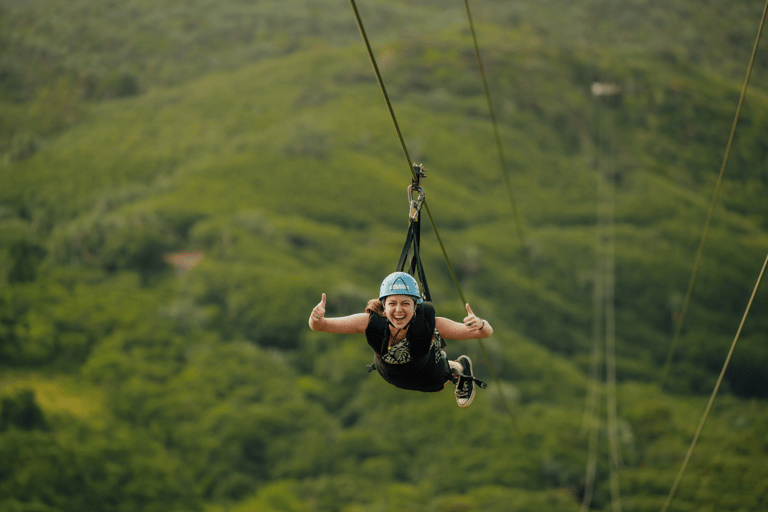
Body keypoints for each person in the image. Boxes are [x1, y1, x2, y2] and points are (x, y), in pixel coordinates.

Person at [309, 272, 493, 408]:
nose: (399, 310)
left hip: (429, 375)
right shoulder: (369, 322)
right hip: (391, 375)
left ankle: (460, 368)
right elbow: (321, 326)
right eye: (392, 303)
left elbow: (484, 334)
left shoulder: (431, 324)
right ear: (383, 305)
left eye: (405, 303)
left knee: (443, 377)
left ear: (415, 307)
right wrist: (316, 318)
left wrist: (480, 324)